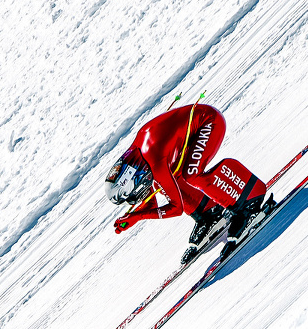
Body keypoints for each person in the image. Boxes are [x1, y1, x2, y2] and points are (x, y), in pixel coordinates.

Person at [104, 103, 273, 262]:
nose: (135, 199)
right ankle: (208, 213)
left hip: (209, 121)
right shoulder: (139, 160)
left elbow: (176, 208)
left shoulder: (155, 162)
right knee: (164, 181)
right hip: (194, 128)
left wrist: (138, 216)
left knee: (192, 174)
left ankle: (249, 202)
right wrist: (133, 216)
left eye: (133, 195)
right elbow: (151, 201)